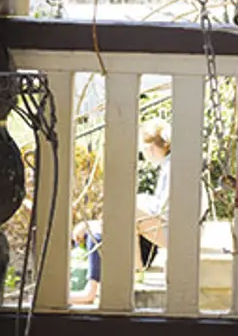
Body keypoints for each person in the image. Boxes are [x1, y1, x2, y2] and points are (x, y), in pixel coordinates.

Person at [71, 120, 176, 306]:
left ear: (150, 147)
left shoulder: (171, 167)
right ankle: (93, 286)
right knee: (104, 224)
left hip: (171, 230)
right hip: (166, 226)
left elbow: (165, 209)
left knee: (124, 208)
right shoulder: (169, 165)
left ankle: (132, 273)